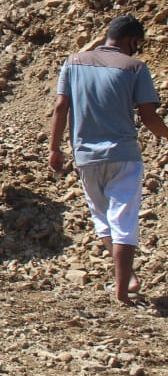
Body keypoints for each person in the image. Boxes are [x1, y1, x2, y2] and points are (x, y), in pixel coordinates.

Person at [49, 15, 168, 306]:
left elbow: (61, 106)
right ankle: (122, 288)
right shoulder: (135, 67)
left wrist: (55, 149)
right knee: (124, 218)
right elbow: (149, 117)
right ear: (131, 41)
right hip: (123, 154)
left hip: (85, 157)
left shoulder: (73, 62)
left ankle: (127, 278)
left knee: (102, 217)